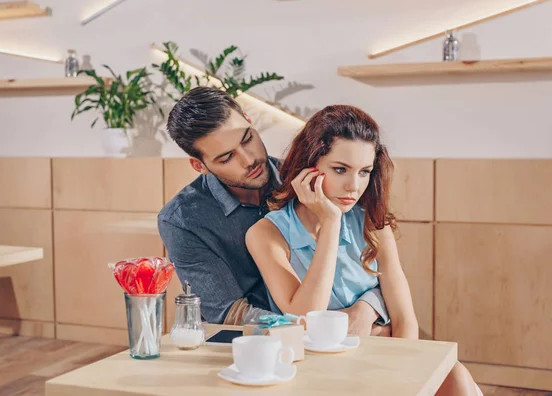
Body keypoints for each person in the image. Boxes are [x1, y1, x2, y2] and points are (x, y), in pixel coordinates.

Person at [245, 104, 482, 395]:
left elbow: (405, 319)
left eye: (364, 172)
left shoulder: (371, 223)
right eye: (340, 170)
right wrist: (330, 222)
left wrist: (402, 374)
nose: (353, 187)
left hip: (382, 353)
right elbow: (304, 318)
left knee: (456, 375)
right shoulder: (266, 234)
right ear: (309, 167)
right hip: (316, 366)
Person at [158, 87, 389, 332]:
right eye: (227, 158)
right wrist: (329, 325)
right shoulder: (182, 220)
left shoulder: (309, 180)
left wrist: (366, 308)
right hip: (247, 344)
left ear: (248, 119)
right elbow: (228, 313)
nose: (248, 160)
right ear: (199, 165)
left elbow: (365, 272)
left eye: (247, 139)